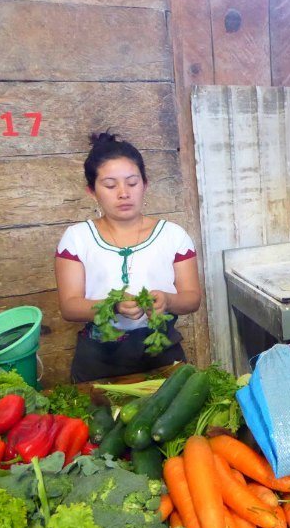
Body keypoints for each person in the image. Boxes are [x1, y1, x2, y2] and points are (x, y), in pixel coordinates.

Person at [55, 132, 202, 382]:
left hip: (162, 354)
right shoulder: (77, 238)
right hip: (98, 362)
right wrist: (111, 306)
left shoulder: (173, 236)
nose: (123, 193)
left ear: (145, 183)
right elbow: (69, 306)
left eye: (132, 183)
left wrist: (167, 300)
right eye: (110, 185)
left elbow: (192, 299)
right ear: (92, 191)